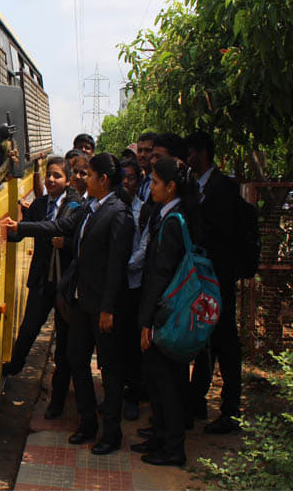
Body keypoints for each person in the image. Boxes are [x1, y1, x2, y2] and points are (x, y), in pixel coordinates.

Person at [133, 157, 202, 466]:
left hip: (165, 316)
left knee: (168, 384)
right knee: (158, 380)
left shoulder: (173, 222)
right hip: (163, 313)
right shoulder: (168, 216)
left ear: (171, 187)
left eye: (156, 183)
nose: (152, 188)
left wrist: (147, 322)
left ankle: (173, 448)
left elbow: (160, 276)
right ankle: (161, 437)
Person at [64, 153, 134, 455]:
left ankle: (112, 433)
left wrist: (108, 308)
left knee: (110, 370)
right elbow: (64, 232)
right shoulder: (91, 208)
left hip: (102, 307)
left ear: (103, 179)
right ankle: (87, 422)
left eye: (89, 175)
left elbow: (117, 267)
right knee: (75, 360)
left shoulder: (119, 213)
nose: (84, 179)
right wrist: (21, 228)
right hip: (82, 303)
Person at [2, 157, 84, 397]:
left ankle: (58, 397)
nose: (51, 179)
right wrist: (9, 228)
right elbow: (21, 232)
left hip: (65, 284)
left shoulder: (75, 205)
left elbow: (57, 228)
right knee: (28, 329)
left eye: (57, 176)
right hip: (41, 280)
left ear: (68, 181)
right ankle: (13, 368)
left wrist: (23, 227)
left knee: (64, 343)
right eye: (49, 174)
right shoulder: (38, 204)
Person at [185, 131, 243, 434]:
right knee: (208, 338)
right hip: (204, 278)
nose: (188, 159)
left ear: (203, 154)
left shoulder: (222, 188)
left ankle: (231, 410)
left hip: (219, 277)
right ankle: (197, 401)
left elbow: (220, 232)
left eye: (191, 153)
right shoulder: (198, 187)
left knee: (225, 342)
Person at [121, 157, 146, 421]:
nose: (128, 182)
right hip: (114, 287)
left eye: (132, 178)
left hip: (133, 285)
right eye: (124, 177)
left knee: (132, 347)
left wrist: (122, 266)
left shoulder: (143, 211)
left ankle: (133, 397)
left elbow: (144, 249)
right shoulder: (111, 207)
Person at [136, 132, 157, 201]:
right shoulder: (138, 179)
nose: (142, 155)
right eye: (139, 151)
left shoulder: (162, 182)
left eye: (147, 150)